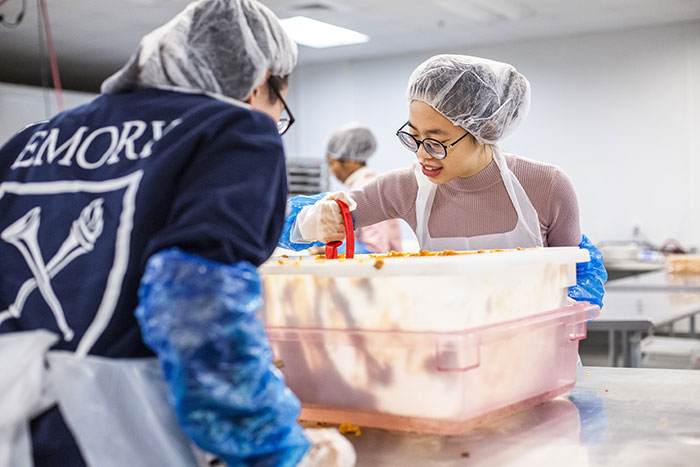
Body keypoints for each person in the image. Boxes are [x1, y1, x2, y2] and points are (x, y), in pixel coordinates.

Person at [0, 1, 354, 466]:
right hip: (115, 434)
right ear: (257, 82)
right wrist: (275, 448)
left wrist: (297, 223)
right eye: (278, 109)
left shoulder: (31, 143)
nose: (274, 125)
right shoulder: (233, 128)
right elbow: (196, 310)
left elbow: (135, 221)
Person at [282, 54, 606, 307]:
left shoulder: (546, 185)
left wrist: (568, 306)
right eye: (413, 137)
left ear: (485, 130)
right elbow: (287, 222)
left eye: (436, 141)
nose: (422, 155)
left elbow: (579, 273)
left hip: (538, 357)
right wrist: (310, 221)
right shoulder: (408, 187)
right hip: (452, 358)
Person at [325, 122, 402, 253]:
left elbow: (376, 248)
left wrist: (333, 250)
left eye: (332, 163)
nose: (331, 171)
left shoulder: (366, 189)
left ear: (351, 160)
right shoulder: (366, 185)